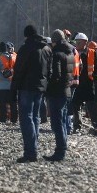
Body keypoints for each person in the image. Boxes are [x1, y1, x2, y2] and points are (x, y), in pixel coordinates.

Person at [11, 24, 51, 163]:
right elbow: (49, 69)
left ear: (26, 35)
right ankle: (33, 148)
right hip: (40, 88)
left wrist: (13, 88)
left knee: (26, 118)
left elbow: (19, 70)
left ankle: (30, 152)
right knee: (35, 117)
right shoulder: (47, 49)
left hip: (26, 87)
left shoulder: (25, 48)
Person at [44, 29, 74, 161]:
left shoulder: (56, 54)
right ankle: (63, 149)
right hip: (66, 91)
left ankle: (60, 152)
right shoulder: (70, 53)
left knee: (57, 123)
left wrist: (48, 85)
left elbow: (56, 75)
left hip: (56, 93)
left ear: (54, 41)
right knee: (62, 121)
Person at [69, 33, 97, 134]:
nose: (77, 43)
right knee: (75, 105)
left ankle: (96, 126)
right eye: (76, 42)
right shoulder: (73, 52)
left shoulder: (92, 52)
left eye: (79, 42)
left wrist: (93, 78)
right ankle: (77, 125)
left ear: (85, 42)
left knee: (91, 105)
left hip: (88, 84)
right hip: (77, 84)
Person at [0, 41, 17, 123]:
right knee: (13, 104)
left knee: (2, 104)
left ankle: (3, 119)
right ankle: (14, 119)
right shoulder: (15, 58)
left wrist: (4, 77)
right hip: (13, 85)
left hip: (2, 86)